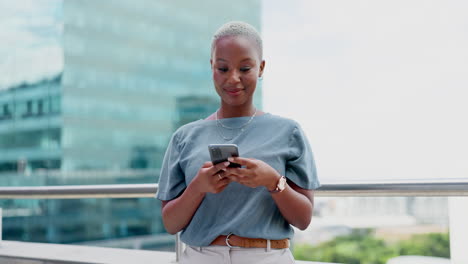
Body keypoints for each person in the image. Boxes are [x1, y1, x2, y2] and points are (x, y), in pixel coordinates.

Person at [156, 21, 320, 264]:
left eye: (245, 68)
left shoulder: (288, 131)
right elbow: (171, 223)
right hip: (200, 257)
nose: (233, 79)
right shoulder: (184, 136)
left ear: (261, 68)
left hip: (266, 257)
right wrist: (198, 187)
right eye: (223, 68)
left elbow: (303, 219)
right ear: (212, 66)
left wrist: (273, 181)